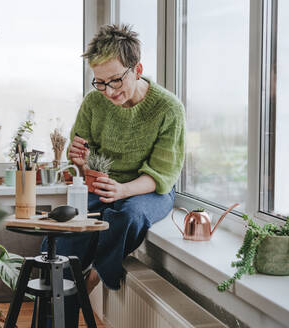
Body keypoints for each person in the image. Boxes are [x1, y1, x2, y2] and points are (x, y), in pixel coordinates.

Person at [39, 24, 185, 327]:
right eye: (100, 83)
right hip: (102, 185)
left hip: (150, 189)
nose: (109, 91)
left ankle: (94, 278)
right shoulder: (94, 103)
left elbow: (162, 174)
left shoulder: (169, 109)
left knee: (128, 215)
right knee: (61, 242)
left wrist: (122, 190)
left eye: (116, 80)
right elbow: (86, 169)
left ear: (137, 68)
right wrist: (81, 163)